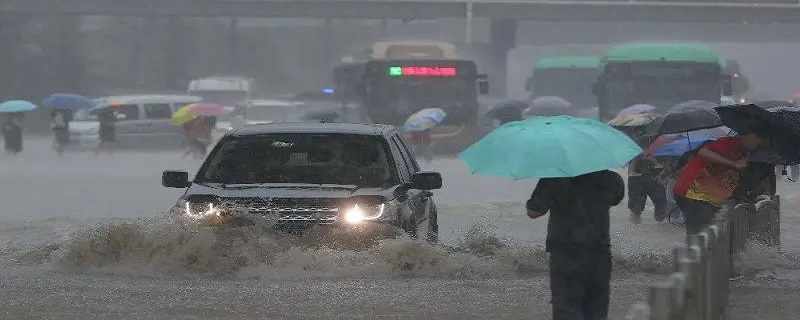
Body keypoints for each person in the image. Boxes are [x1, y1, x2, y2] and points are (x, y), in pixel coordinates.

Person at [526, 169, 625, 320]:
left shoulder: (555, 177)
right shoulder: (611, 178)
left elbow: (533, 212)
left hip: (566, 254)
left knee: (567, 308)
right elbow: (615, 199)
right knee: (596, 309)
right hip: (599, 254)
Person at [672, 128, 767, 235]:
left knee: (707, 229)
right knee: (700, 229)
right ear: (751, 135)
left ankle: (695, 248)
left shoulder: (746, 154)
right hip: (692, 192)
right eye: (759, 139)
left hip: (708, 196)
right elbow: (704, 152)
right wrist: (733, 163)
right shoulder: (729, 143)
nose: (760, 143)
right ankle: (692, 249)